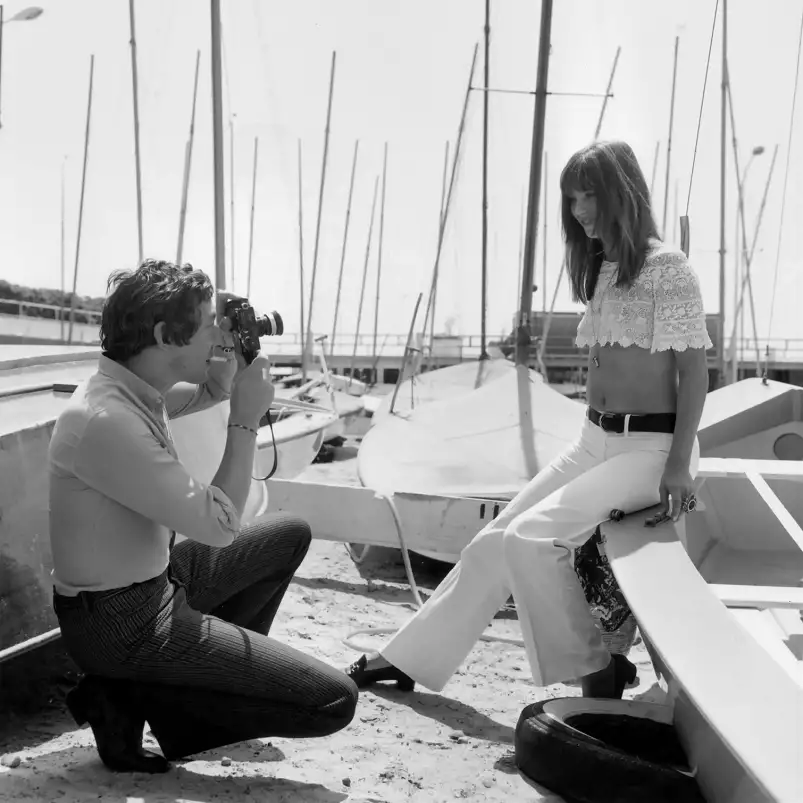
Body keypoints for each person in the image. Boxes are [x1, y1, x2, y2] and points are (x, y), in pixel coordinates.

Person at [346, 140, 712, 700]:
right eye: (572, 198)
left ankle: (597, 671)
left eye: (590, 195)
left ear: (623, 193)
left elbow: (694, 373)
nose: (580, 209)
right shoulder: (604, 267)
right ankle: (407, 657)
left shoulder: (668, 267)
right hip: (593, 438)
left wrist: (680, 465)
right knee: (493, 542)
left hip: (652, 448)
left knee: (531, 538)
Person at [50, 260, 357, 773]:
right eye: (211, 323)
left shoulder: (131, 390)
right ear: (167, 335)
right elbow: (219, 525)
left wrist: (225, 368)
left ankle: (166, 682)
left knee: (288, 533)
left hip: (148, 587)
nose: (220, 333)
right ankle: (132, 695)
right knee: (332, 701)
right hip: (119, 624)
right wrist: (245, 421)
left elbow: (209, 391)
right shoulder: (107, 421)